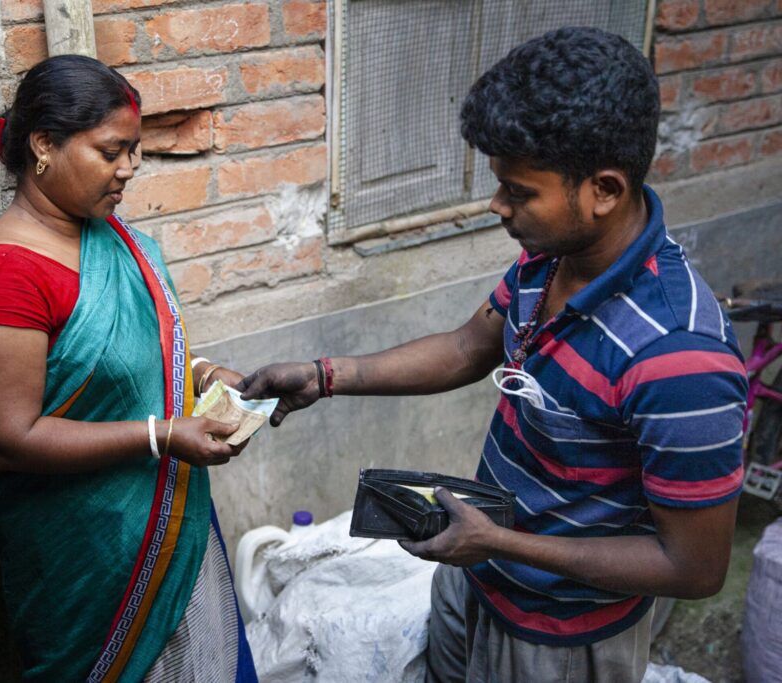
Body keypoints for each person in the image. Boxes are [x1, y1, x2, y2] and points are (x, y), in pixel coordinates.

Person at [238, 27, 747, 683]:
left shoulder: (679, 356)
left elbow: (694, 567)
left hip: (560, 641)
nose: (496, 205)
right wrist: (323, 375)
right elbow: (463, 347)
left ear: (604, 190)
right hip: (476, 578)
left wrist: (499, 542)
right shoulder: (551, 257)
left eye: (519, 191)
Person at [0, 55, 258, 682]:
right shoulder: (2, 274)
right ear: (43, 146)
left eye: (135, 151)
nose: (130, 169)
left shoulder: (112, 237)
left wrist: (198, 376)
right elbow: (6, 439)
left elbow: (128, 355)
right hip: (89, 557)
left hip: (170, 532)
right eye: (112, 151)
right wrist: (162, 435)